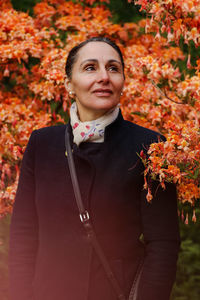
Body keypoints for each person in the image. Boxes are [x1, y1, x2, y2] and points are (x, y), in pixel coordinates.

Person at [9, 37, 180, 300]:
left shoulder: (151, 147)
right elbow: (23, 234)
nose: (104, 77)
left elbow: (163, 244)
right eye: (90, 67)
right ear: (69, 85)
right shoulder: (42, 143)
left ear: (123, 81)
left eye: (113, 68)